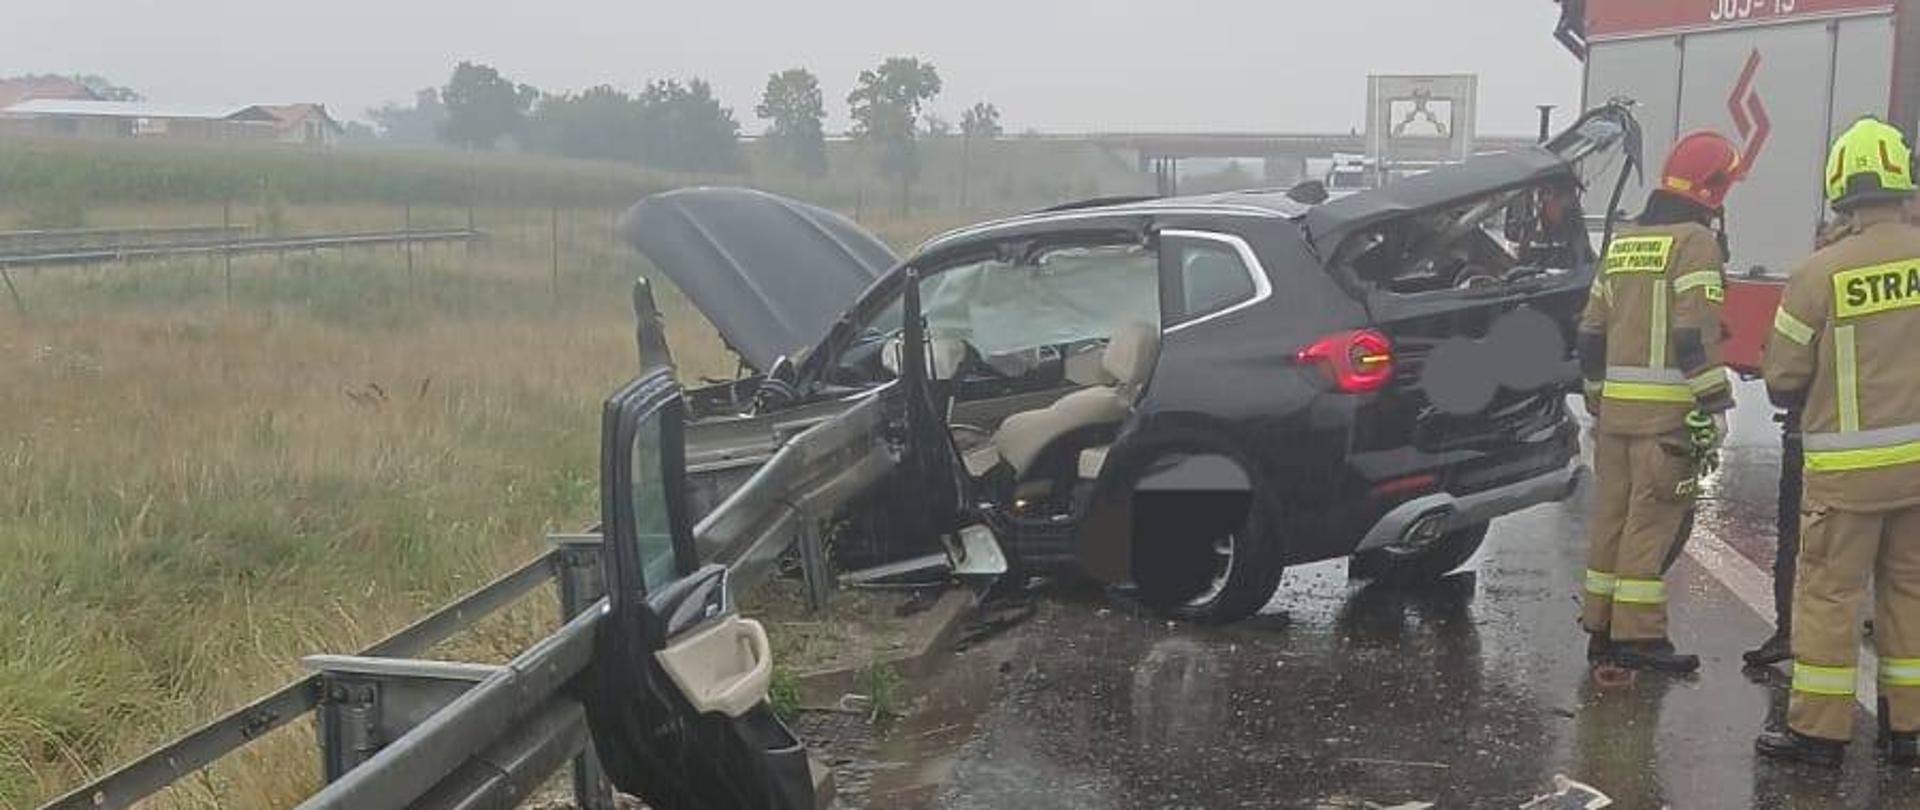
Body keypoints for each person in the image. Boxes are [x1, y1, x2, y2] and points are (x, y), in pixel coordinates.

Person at [1755, 117, 1920, 769]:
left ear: (1841, 189)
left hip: (1847, 478)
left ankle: (1819, 733)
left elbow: (1782, 377)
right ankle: (1908, 731)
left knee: (1828, 596)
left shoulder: (1820, 272)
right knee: (1909, 592)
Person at [1577, 131, 1743, 673]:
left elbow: (1590, 335)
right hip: (1665, 422)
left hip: (1617, 420)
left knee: (1613, 520)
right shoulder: (1695, 244)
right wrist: (1715, 403)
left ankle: (1600, 628)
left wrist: (1599, 401)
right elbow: (1694, 337)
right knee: (1652, 526)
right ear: (1711, 190)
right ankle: (1639, 639)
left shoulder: (1624, 241)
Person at [1745, 215, 1852, 668]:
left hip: (1819, 440)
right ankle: (1903, 722)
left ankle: (1792, 637)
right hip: (1901, 451)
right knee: (1900, 572)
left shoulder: (1817, 275)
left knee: (1805, 551)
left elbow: (1784, 374)